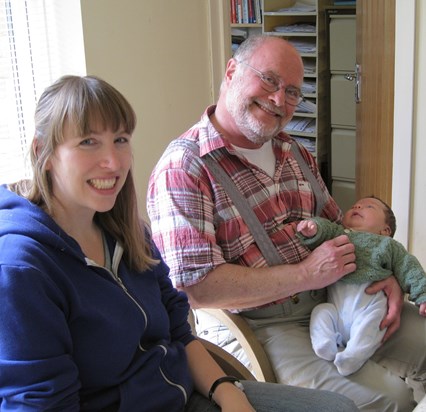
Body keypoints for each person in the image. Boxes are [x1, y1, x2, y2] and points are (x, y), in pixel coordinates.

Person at [0, 75, 360, 412]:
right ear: (43, 152)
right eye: (88, 142)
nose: (112, 162)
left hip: (186, 392)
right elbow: (42, 402)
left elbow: (178, 331)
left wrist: (226, 390)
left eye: (121, 140)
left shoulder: (128, 234)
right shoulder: (23, 270)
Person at [147, 34, 426, 411]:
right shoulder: (185, 167)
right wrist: (307, 274)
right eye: (269, 80)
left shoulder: (295, 151)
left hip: (336, 295)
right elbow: (197, 290)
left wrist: (385, 272)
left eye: (293, 91)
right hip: (261, 326)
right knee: (392, 400)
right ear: (231, 72)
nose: (280, 99)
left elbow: (341, 230)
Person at [296, 196, 426, 376]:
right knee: (321, 311)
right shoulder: (338, 233)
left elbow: (410, 269)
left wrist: (423, 294)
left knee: (373, 325)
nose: (357, 206)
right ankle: (324, 343)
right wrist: (313, 228)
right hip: (336, 309)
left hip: (369, 306)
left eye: (369, 206)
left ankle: (352, 357)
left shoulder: (388, 245)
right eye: (354, 205)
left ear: (385, 230)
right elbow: (325, 228)